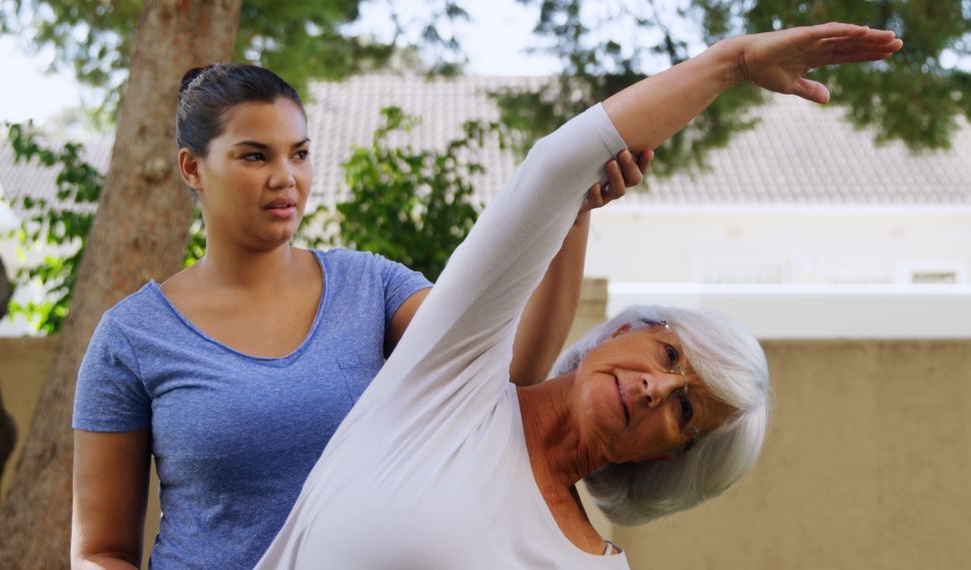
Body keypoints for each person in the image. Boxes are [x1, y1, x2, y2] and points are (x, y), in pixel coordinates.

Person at [255, 22, 902, 568]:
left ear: (668, 457)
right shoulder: (450, 380)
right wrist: (729, 63)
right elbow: (555, 167)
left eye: (684, 412)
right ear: (627, 331)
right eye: (671, 358)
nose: (656, 389)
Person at [70, 64, 651, 568]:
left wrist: (573, 215)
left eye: (299, 153)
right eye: (254, 155)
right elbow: (100, 551)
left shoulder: (371, 287)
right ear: (192, 168)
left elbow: (514, 366)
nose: (286, 177)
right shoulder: (133, 337)